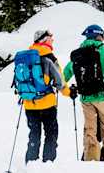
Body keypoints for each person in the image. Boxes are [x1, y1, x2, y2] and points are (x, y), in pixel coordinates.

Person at [64, 24, 104, 161]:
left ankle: (91, 161)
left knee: (90, 130)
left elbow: (66, 72)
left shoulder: (78, 53)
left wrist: (66, 88)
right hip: (102, 96)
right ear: (99, 35)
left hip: (85, 98)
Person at [22, 29, 70, 164]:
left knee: (34, 135)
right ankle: (47, 164)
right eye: (50, 38)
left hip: (29, 103)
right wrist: (69, 93)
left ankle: (31, 163)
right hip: (47, 104)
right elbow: (59, 81)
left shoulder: (26, 57)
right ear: (44, 40)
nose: (52, 40)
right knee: (51, 134)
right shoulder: (49, 57)